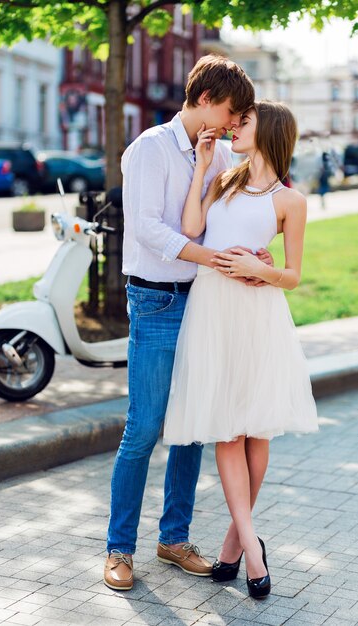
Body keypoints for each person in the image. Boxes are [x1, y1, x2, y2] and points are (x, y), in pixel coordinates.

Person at [103, 55, 274, 591]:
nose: (230, 123)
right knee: (146, 426)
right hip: (154, 302)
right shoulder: (149, 150)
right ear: (204, 99)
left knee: (193, 429)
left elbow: (237, 215)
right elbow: (151, 231)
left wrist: (258, 255)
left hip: (205, 303)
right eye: (227, 111)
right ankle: (119, 549)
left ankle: (173, 540)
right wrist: (217, 260)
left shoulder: (223, 151)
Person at [163, 100, 319, 599]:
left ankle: (234, 543)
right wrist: (203, 168)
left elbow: (293, 275)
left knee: (255, 428)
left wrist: (261, 271)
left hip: (258, 315)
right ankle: (253, 547)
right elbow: (191, 229)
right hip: (213, 311)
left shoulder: (290, 202)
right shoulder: (223, 178)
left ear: (268, 131)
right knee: (227, 430)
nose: (233, 127)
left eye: (243, 122)